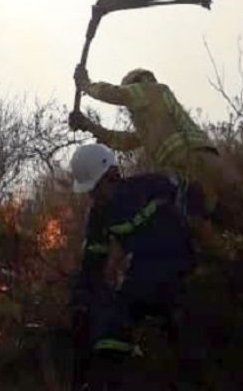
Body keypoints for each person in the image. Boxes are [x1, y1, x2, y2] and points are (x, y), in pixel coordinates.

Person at [69, 143, 205, 390]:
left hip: (181, 268)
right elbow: (92, 264)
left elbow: (197, 199)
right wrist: (80, 302)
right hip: (140, 277)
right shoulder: (99, 215)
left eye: (97, 189)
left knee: (187, 341)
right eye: (90, 192)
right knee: (110, 319)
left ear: (112, 176)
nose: (94, 197)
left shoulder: (153, 185)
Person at [69, 67, 243, 225]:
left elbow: (117, 94)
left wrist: (85, 84)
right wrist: (87, 125)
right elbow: (120, 141)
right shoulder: (152, 124)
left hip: (197, 162)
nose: (130, 110)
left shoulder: (153, 91)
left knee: (230, 213)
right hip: (187, 172)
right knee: (220, 222)